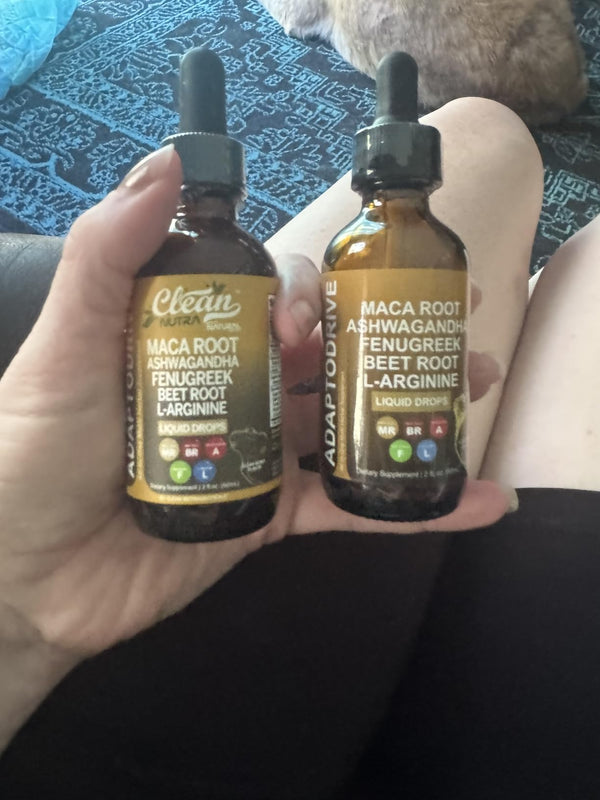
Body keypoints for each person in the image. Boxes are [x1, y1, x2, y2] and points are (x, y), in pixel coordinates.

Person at [0, 97, 599, 799]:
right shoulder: (229, 257)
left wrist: (17, 606)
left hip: (79, 602)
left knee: (483, 136)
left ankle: (525, 318)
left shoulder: (251, 259)